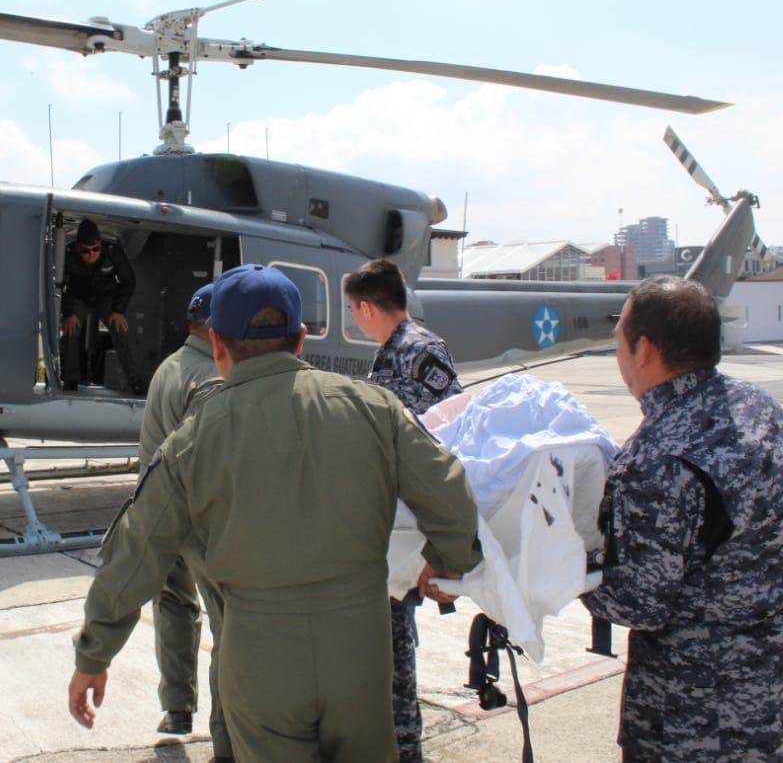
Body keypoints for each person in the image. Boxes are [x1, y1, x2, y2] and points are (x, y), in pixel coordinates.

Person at [69, 264, 482, 762]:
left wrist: (96, 652)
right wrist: (448, 557)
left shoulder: (193, 440)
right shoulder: (373, 408)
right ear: (302, 339)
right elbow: (450, 492)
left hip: (260, 656)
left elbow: (137, 550)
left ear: (217, 344)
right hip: (360, 650)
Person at [581, 275, 783, 761]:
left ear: (644, 348)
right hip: (776, 683)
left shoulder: (657, 456)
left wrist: (562, 566)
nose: (616, 345)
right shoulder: (761, 408)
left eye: (619, 333)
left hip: (693, 711)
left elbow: (638, 603)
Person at [345, 258, 463, 763]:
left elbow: (455, 439)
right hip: (393, 524)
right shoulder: (393, 352)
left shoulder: (419, 351)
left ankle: (404, 747)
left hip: (409, 527)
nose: (354, 321)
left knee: (393, 649)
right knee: (384, 643)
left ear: (369, 307)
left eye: (354, 311)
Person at [130, 282, 230, 758]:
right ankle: (226, 735)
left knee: (173, 603)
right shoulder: (211, 378)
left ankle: (176, 707)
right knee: (228, 619)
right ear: (216, 326)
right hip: (195, 518)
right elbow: (211, 464)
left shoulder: (170, 367)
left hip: (156, 510)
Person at [60, 218, 142, 393]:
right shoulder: (67, 255)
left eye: (96, 249)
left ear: (101, 245)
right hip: (78, 297)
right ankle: (70, 379)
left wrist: (118, 310)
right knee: (71, 329)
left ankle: (135, 380)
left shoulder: (113, 253)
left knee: (120, 330)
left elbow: (128, 282)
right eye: (86, 251)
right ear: (77, 248)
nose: (91, 254)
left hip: (106, 298)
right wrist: (68, 312)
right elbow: (60, 285)